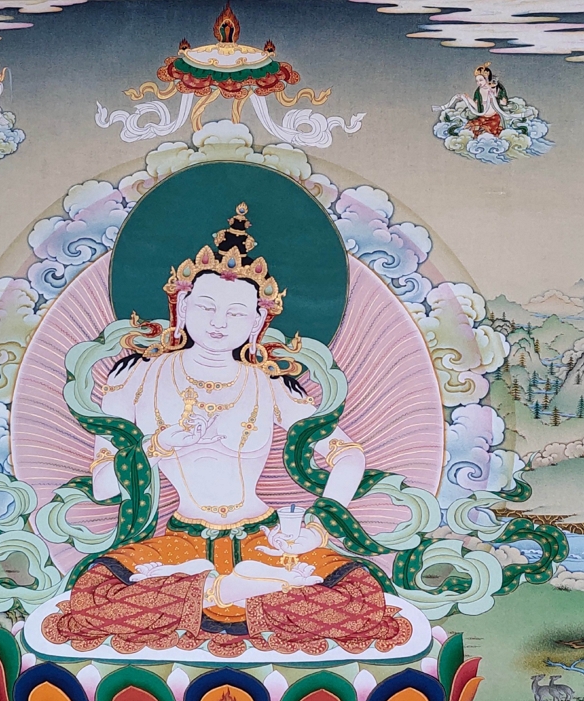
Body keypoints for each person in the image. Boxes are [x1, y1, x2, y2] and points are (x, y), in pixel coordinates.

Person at [41, 204, 413, 658]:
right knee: (93, 599)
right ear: (181, 307)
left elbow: (348, 455)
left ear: (257, 322)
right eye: (206, 307)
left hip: (266, 541)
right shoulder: (134, 379)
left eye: (236, 313)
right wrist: (157, 446)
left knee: (362, 602)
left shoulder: (269, 383)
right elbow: (104, 487)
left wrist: (316, 527)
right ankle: (230, 591)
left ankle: (218, 593)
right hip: (180, 544)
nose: (219, 323)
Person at [434, 64, 510, 138]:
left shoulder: (496, 88)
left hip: (494, 118)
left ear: (487, 78)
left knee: (485, 132)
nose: (479, 83)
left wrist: (494, 98)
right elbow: (477, 107)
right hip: (482, 117)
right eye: (477, 81)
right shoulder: (478, 91)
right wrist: (466, 98)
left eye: (481, 80)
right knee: (469, 128)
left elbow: (504, 103)